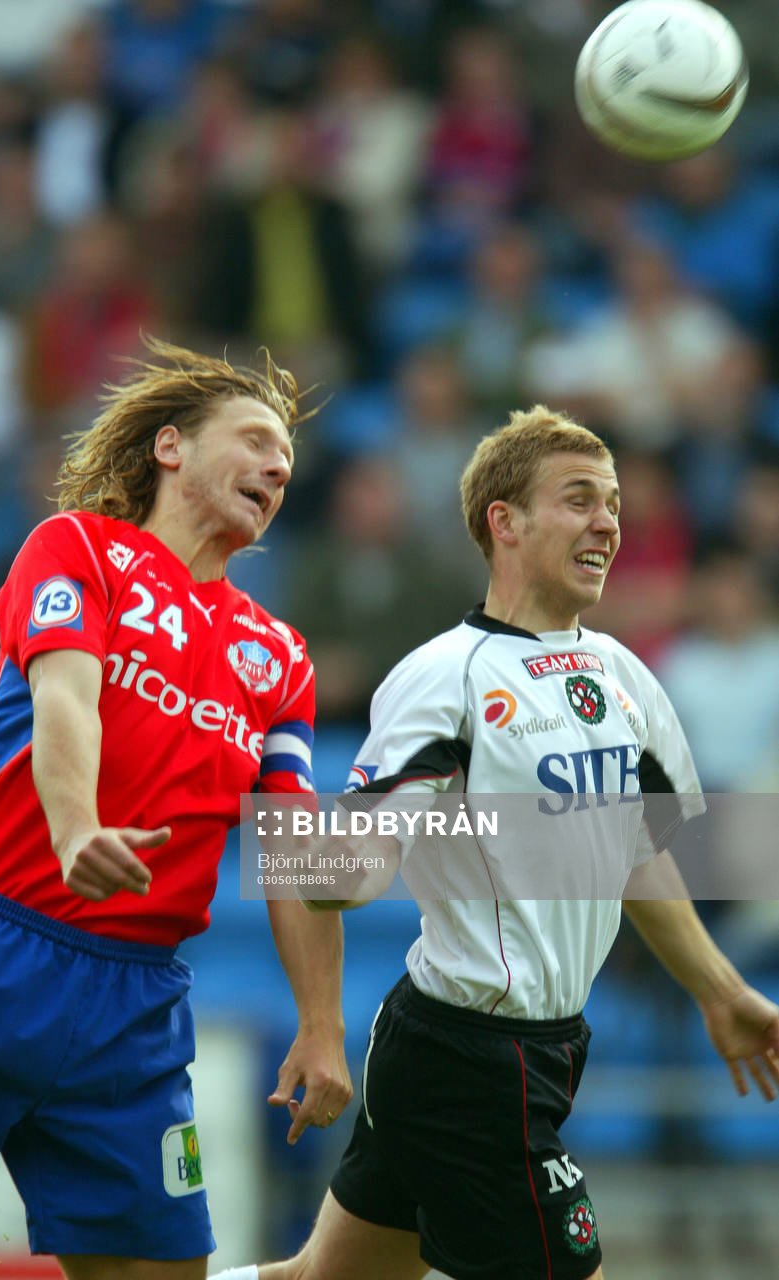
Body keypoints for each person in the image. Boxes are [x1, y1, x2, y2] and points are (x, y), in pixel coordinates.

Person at [213, 405, 779, 1280]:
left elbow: (633, 850)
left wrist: (720, 991)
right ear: (502, 523)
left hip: (535, 1044)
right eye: (579, 499)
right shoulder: (446, 678)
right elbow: (360, 869)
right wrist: (263, 841)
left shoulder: (628, 680)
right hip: (468, 1061)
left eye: (615, 504)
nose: (607, 523)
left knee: (327, 1279)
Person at [0, 337, 352, 1280]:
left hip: (133, 1006)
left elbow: (296, 838)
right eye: (255, 439)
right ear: (170, 447)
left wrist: (322, 1022)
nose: (275, 468)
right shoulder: (78, 548)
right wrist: (74, 831)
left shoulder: (279, 655)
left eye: (287, 465)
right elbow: (64, 696)